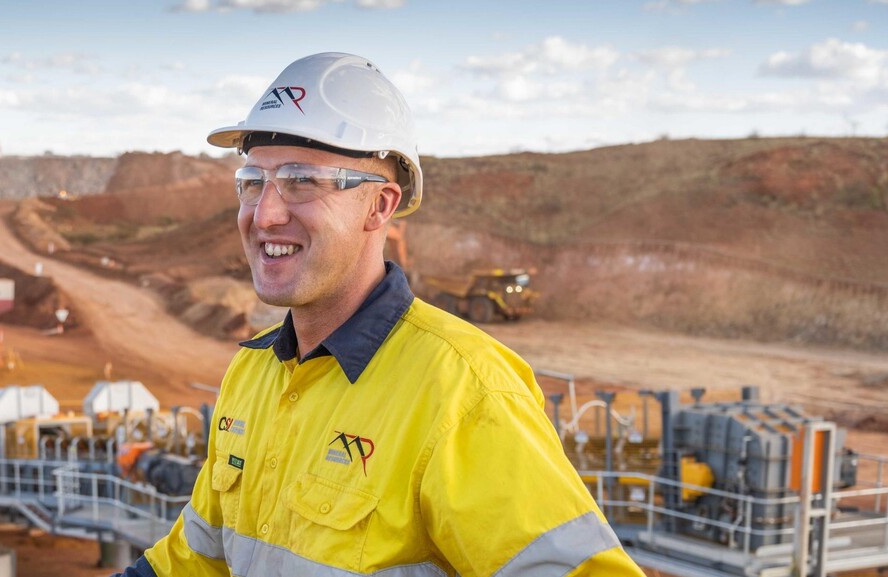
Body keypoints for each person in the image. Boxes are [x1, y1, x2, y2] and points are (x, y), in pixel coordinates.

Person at [113, 53, 643, 577]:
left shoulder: (461, 390)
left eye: (300, 180)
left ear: (380, 205)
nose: (266, 213)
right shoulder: (253, 373)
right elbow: (197, 558)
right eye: (253, 181)